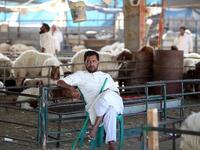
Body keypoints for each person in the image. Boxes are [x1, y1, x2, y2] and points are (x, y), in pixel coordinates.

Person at [57, 50, 124, 150]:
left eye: (93, 61)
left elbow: (116, 94)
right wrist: (70, 88)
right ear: (85, 63)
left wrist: (106, 95)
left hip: (115, 103)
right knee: (110, 110)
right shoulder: (80, 75)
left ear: (98, 62)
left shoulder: (106, 76)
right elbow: (59, 82)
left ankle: (94, 129)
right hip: (95, 108)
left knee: (108, 95)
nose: (91, 64)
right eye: (88, 61)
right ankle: (111, 145)